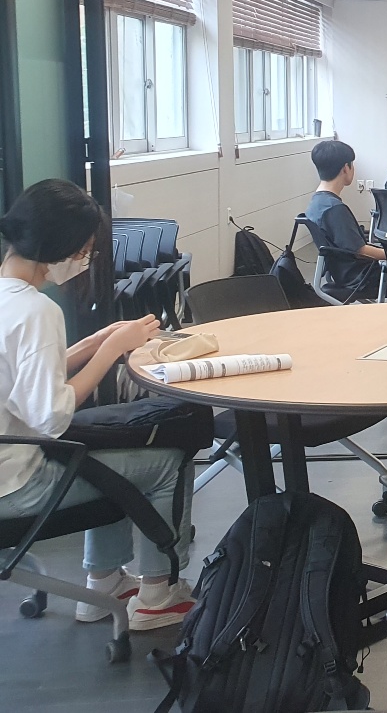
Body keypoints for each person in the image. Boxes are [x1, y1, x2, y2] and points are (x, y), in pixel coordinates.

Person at [0, 180, 195, 630]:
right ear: (61, 248)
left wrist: (93, 343)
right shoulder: (35, 311)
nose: (85, 260)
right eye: (85, 250)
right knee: (166, 463)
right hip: (16, 486)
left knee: (104, 449)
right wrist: (111, 352)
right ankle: (157, 595)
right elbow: (51, 416)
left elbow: (23, 382)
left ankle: (104, 583)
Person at [307, 140, 385, 298]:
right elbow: (360, 251)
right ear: (345, 168)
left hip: (343, 273)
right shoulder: (334, 209)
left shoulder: (316, 203)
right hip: (361, 278)